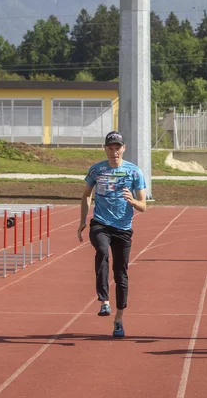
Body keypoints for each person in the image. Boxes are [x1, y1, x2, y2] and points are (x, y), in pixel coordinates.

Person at [78, 131, 147, 338]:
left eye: (118, 148)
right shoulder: (97, 170)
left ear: (123, 148)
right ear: (105, 149)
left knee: (121, 273)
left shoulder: (134, 172)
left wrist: (133, 201)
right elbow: (86, 195)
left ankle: (119, 319)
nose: (114, 152)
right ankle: (104, 301)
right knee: (101, 251)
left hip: (123, 228)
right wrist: (82, 221)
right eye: (111, 148)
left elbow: (143, 205)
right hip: (100, 223)